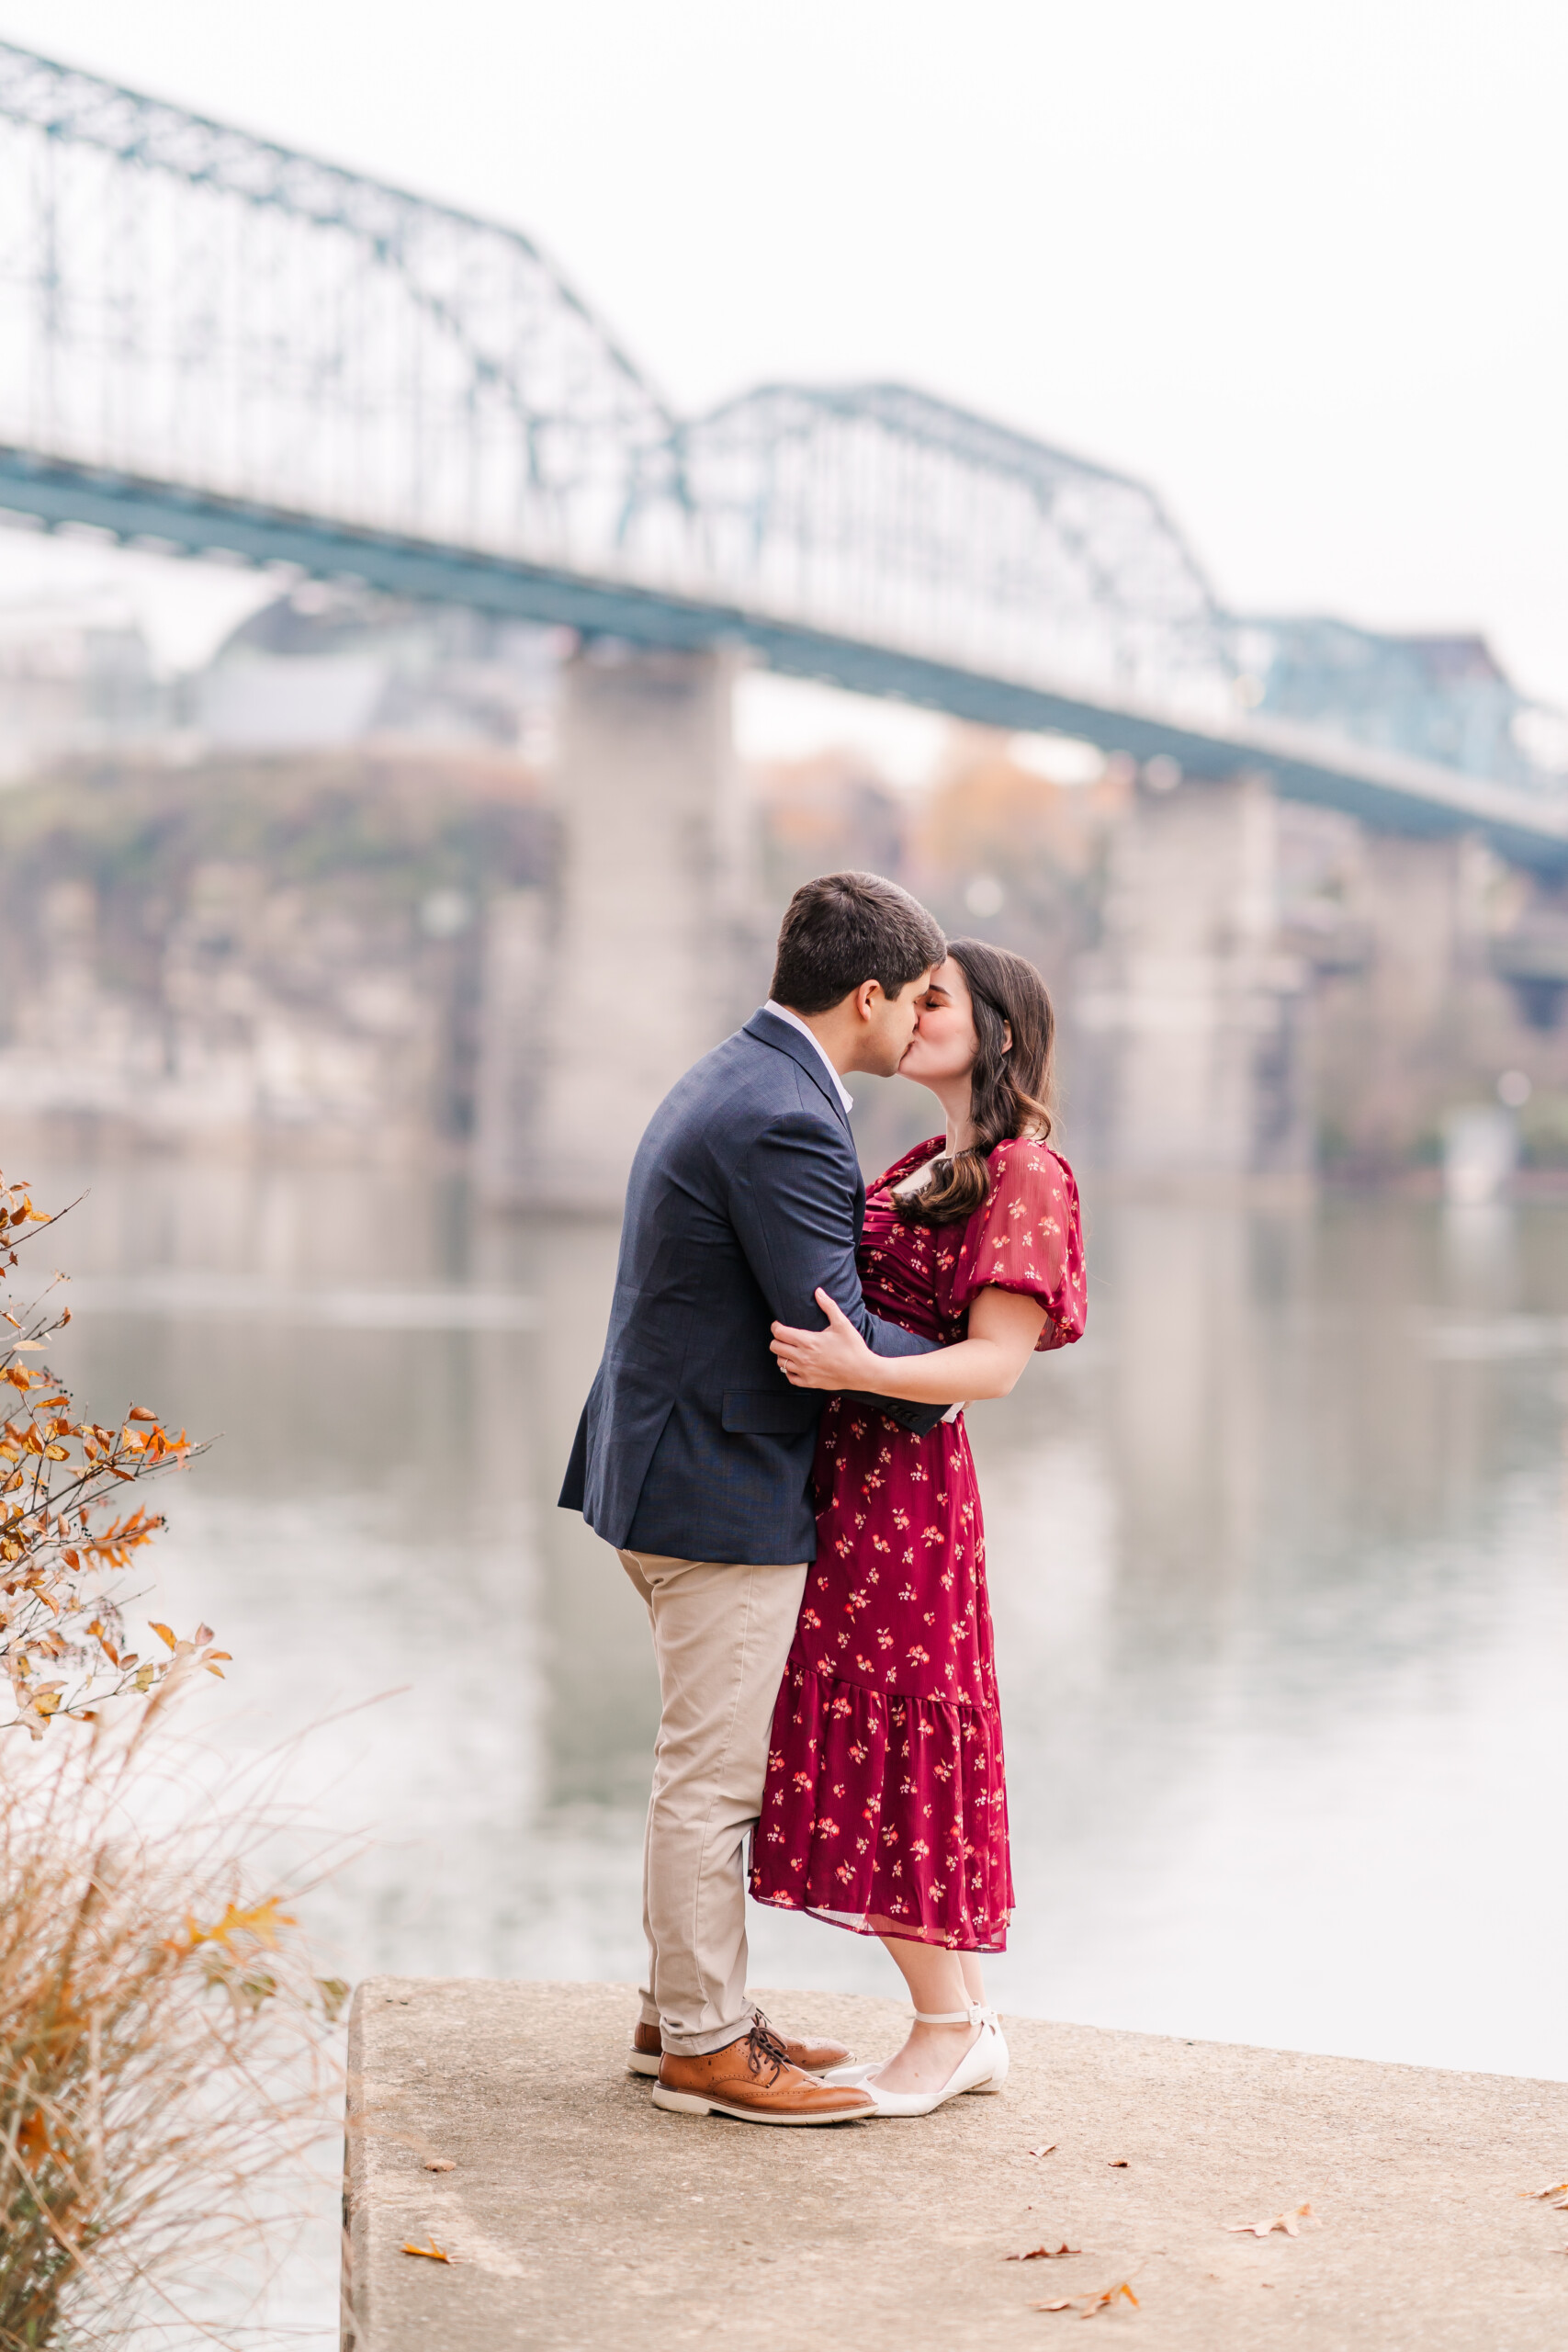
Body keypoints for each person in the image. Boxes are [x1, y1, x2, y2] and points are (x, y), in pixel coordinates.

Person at [558, 871, 949, 2126]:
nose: (923, 1022)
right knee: (712, 1782)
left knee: (704, 1765)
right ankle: (704, 2051)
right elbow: (822, 1315)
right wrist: (959, 1378)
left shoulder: (738, 1072)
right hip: (712, 1488)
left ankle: (678, 2006)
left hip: (666, 1465)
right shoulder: (784, 1113)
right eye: (919, 998)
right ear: (869, 995)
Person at [754, 938, 1086, 2117]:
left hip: (903, 1495)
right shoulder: (922, 1159)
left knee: (892, 1747)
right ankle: (959, 2018)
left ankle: (951, 2024)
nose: (905, 1010)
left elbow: (995, 1366)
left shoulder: (1026, 1173)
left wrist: (852, 1364)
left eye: (932, 998)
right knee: (849, 1734)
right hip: (840, 1479)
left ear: (994, 1029)